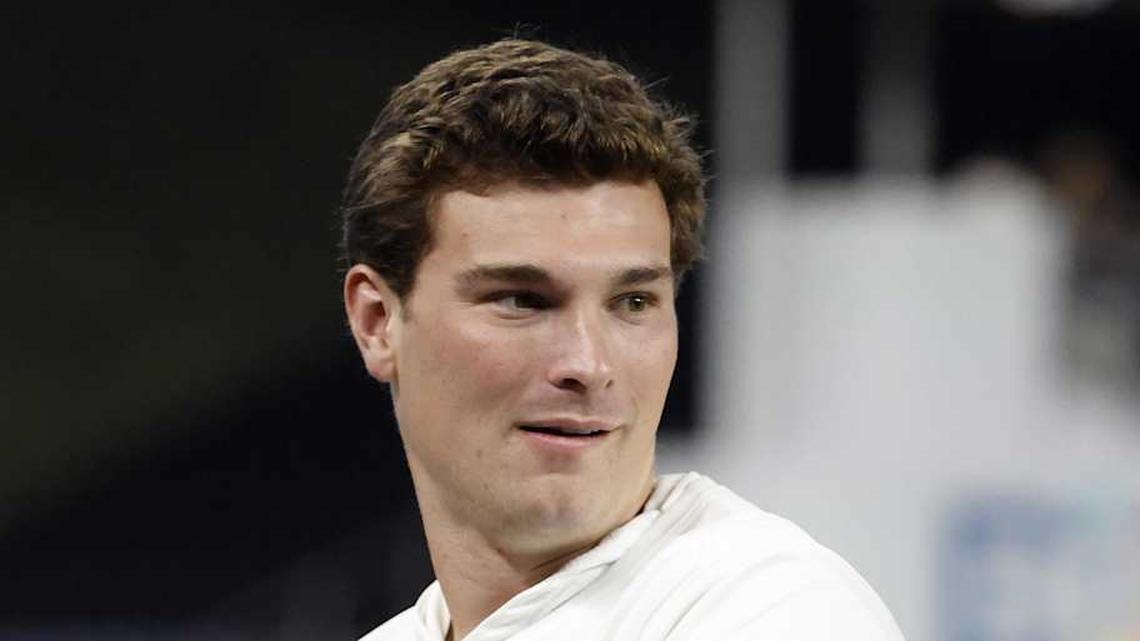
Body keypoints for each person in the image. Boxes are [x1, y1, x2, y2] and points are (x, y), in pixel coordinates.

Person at [341, 38, 904, 641]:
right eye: (522, 300)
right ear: (378, 322)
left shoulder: (774, 609)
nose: (588, 363)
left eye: (632, 303)